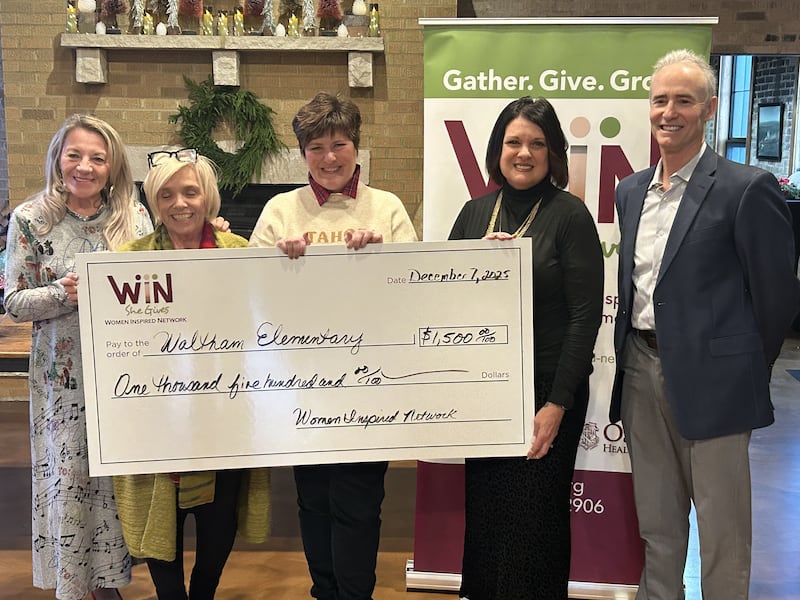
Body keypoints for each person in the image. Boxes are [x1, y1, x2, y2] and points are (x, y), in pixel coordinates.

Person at [610, 49, 800, 600]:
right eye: (660, 100)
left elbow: (776, 297)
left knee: (723, 535)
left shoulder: (746, 188)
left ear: (710, 108)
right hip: (640, 370)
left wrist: (741, 367)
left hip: (718, 383)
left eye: (684, 101)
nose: (669, 112)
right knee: (658, 525)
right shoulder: (630, 191)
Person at [249, 91, 418, 600]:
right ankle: (324, 592)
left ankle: (355, 594)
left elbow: (416, 290)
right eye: (316, 147)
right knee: (314, 499)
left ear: (356, 146)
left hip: (370, 384)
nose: (328, 157)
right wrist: (276, 263)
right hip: (301, 384)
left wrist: (382, 258)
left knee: (359, 501)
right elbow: (248, 294)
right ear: (303, 153)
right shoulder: (281, 210)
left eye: (338, 144)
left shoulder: (386, 207)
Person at [448, 96, 604, 599]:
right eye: (513, 141)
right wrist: (475, 266)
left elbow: (584, 318)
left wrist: (557, 404)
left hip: (546, 392)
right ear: (498, 149)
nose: (524, 152)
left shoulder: (570, 216)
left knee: (534, 524)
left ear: (553, 153)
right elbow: (443, 301)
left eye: (537, 143)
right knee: (488, 518)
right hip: (486, 392)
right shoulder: (473, 214)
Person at [3, 114, 154, 600]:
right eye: (74, 155)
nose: (84, 166)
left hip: (122, 376)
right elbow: (13, 302)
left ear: (113, 167)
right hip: (62, 380)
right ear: (58, 158)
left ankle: (109, 582)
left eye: (97, 158)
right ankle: (78, 586)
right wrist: (62, 293)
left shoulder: (133, 218)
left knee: (114, 485)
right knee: (69, 481)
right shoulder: (30, 219)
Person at [111, 150, 271, 600]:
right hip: (157, 420)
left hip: (226, 416)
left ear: (208, 199)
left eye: (190, 192)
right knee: (161, 516)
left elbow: (266, 323)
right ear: (153, 202)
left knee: (220, 520)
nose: (179, 203)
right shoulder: (128, 259)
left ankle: (203, 592)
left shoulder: (239, 253)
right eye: (166, 194)